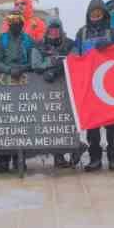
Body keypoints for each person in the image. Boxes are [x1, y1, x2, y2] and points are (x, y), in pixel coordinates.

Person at [74, 0, 114, 172]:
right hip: (89, 84)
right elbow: (76, 54)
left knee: (111, 126)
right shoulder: (82, 32)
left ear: (104, 14)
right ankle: (95, 159)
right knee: (93, 125)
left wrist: (112, 46)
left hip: (109, 84)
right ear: (88, 15)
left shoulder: (113, 32)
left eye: (99, 13)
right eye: (92, 13)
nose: (95, 16)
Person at [32, 17, 82, 168]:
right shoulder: (39, 45)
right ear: (47, 30)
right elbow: (35, 64)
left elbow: (74, 59)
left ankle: (76, 148)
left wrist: (57, 67)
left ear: (61, 30)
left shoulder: (70, 43)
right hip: (48, 88)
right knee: (53, 121)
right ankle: (58, 156)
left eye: (57, 29)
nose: (54, 32)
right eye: (51, 29)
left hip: (69, 87)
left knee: (70, 119)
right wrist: (52, 63)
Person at [0, 10, 37, 172]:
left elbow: (33, 60)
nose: (14, 23)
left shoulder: (28, 40)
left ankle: (20, 157)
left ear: (22, 23)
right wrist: (9, 70)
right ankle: (3, 158)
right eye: (11, 20)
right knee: (4, 123)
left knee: (22, 122)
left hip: (24, 83)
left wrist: (22, 69)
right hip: (5, 83)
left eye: (18, 20)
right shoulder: (1, 39)